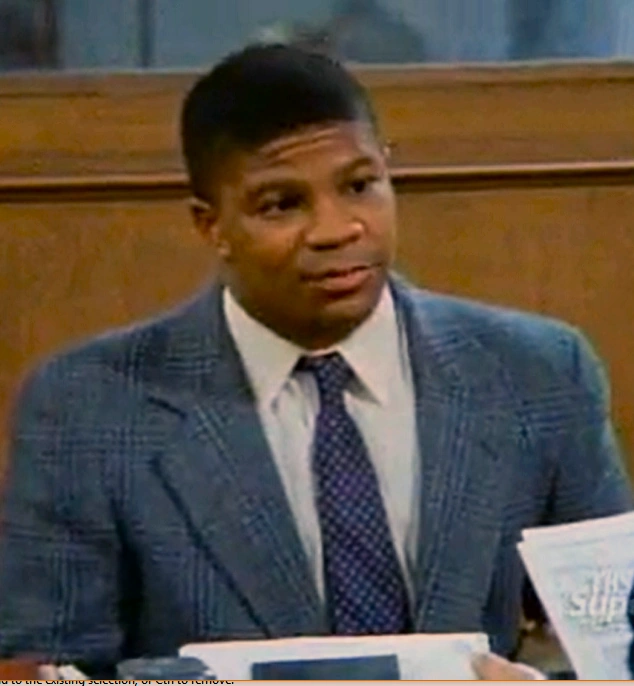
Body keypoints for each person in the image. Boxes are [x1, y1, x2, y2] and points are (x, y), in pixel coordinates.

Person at [0, 42, 632, 679]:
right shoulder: (88, 405)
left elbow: (617, 644)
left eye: (359, 186)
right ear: (210, 225)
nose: (336, 229)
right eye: (281, 204)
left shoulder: (540, 373)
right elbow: (41, 670)